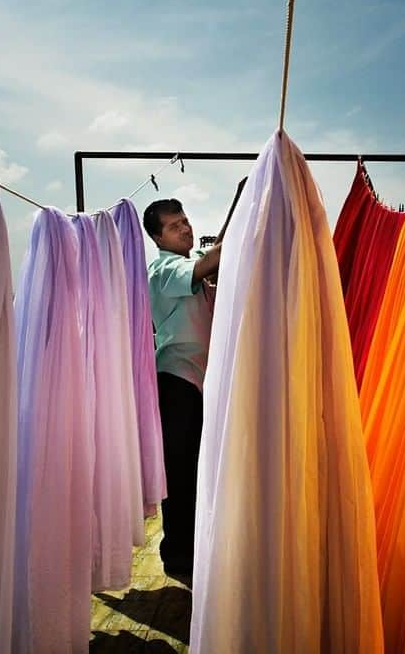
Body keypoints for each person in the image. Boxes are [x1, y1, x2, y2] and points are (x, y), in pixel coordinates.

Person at [143, 181, 243, 585]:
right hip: (176, 381)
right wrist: (243, 203)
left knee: (199, 469)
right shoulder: (164, 268)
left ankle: (195, 547)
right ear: (158, 237)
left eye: (185, 220)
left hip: (198, 382)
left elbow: (213, 253)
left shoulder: (191, 264)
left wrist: (237, 201)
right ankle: (179, 556)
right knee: (181, 472)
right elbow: (212, 258)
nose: (184, 228)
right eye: (174, 226)